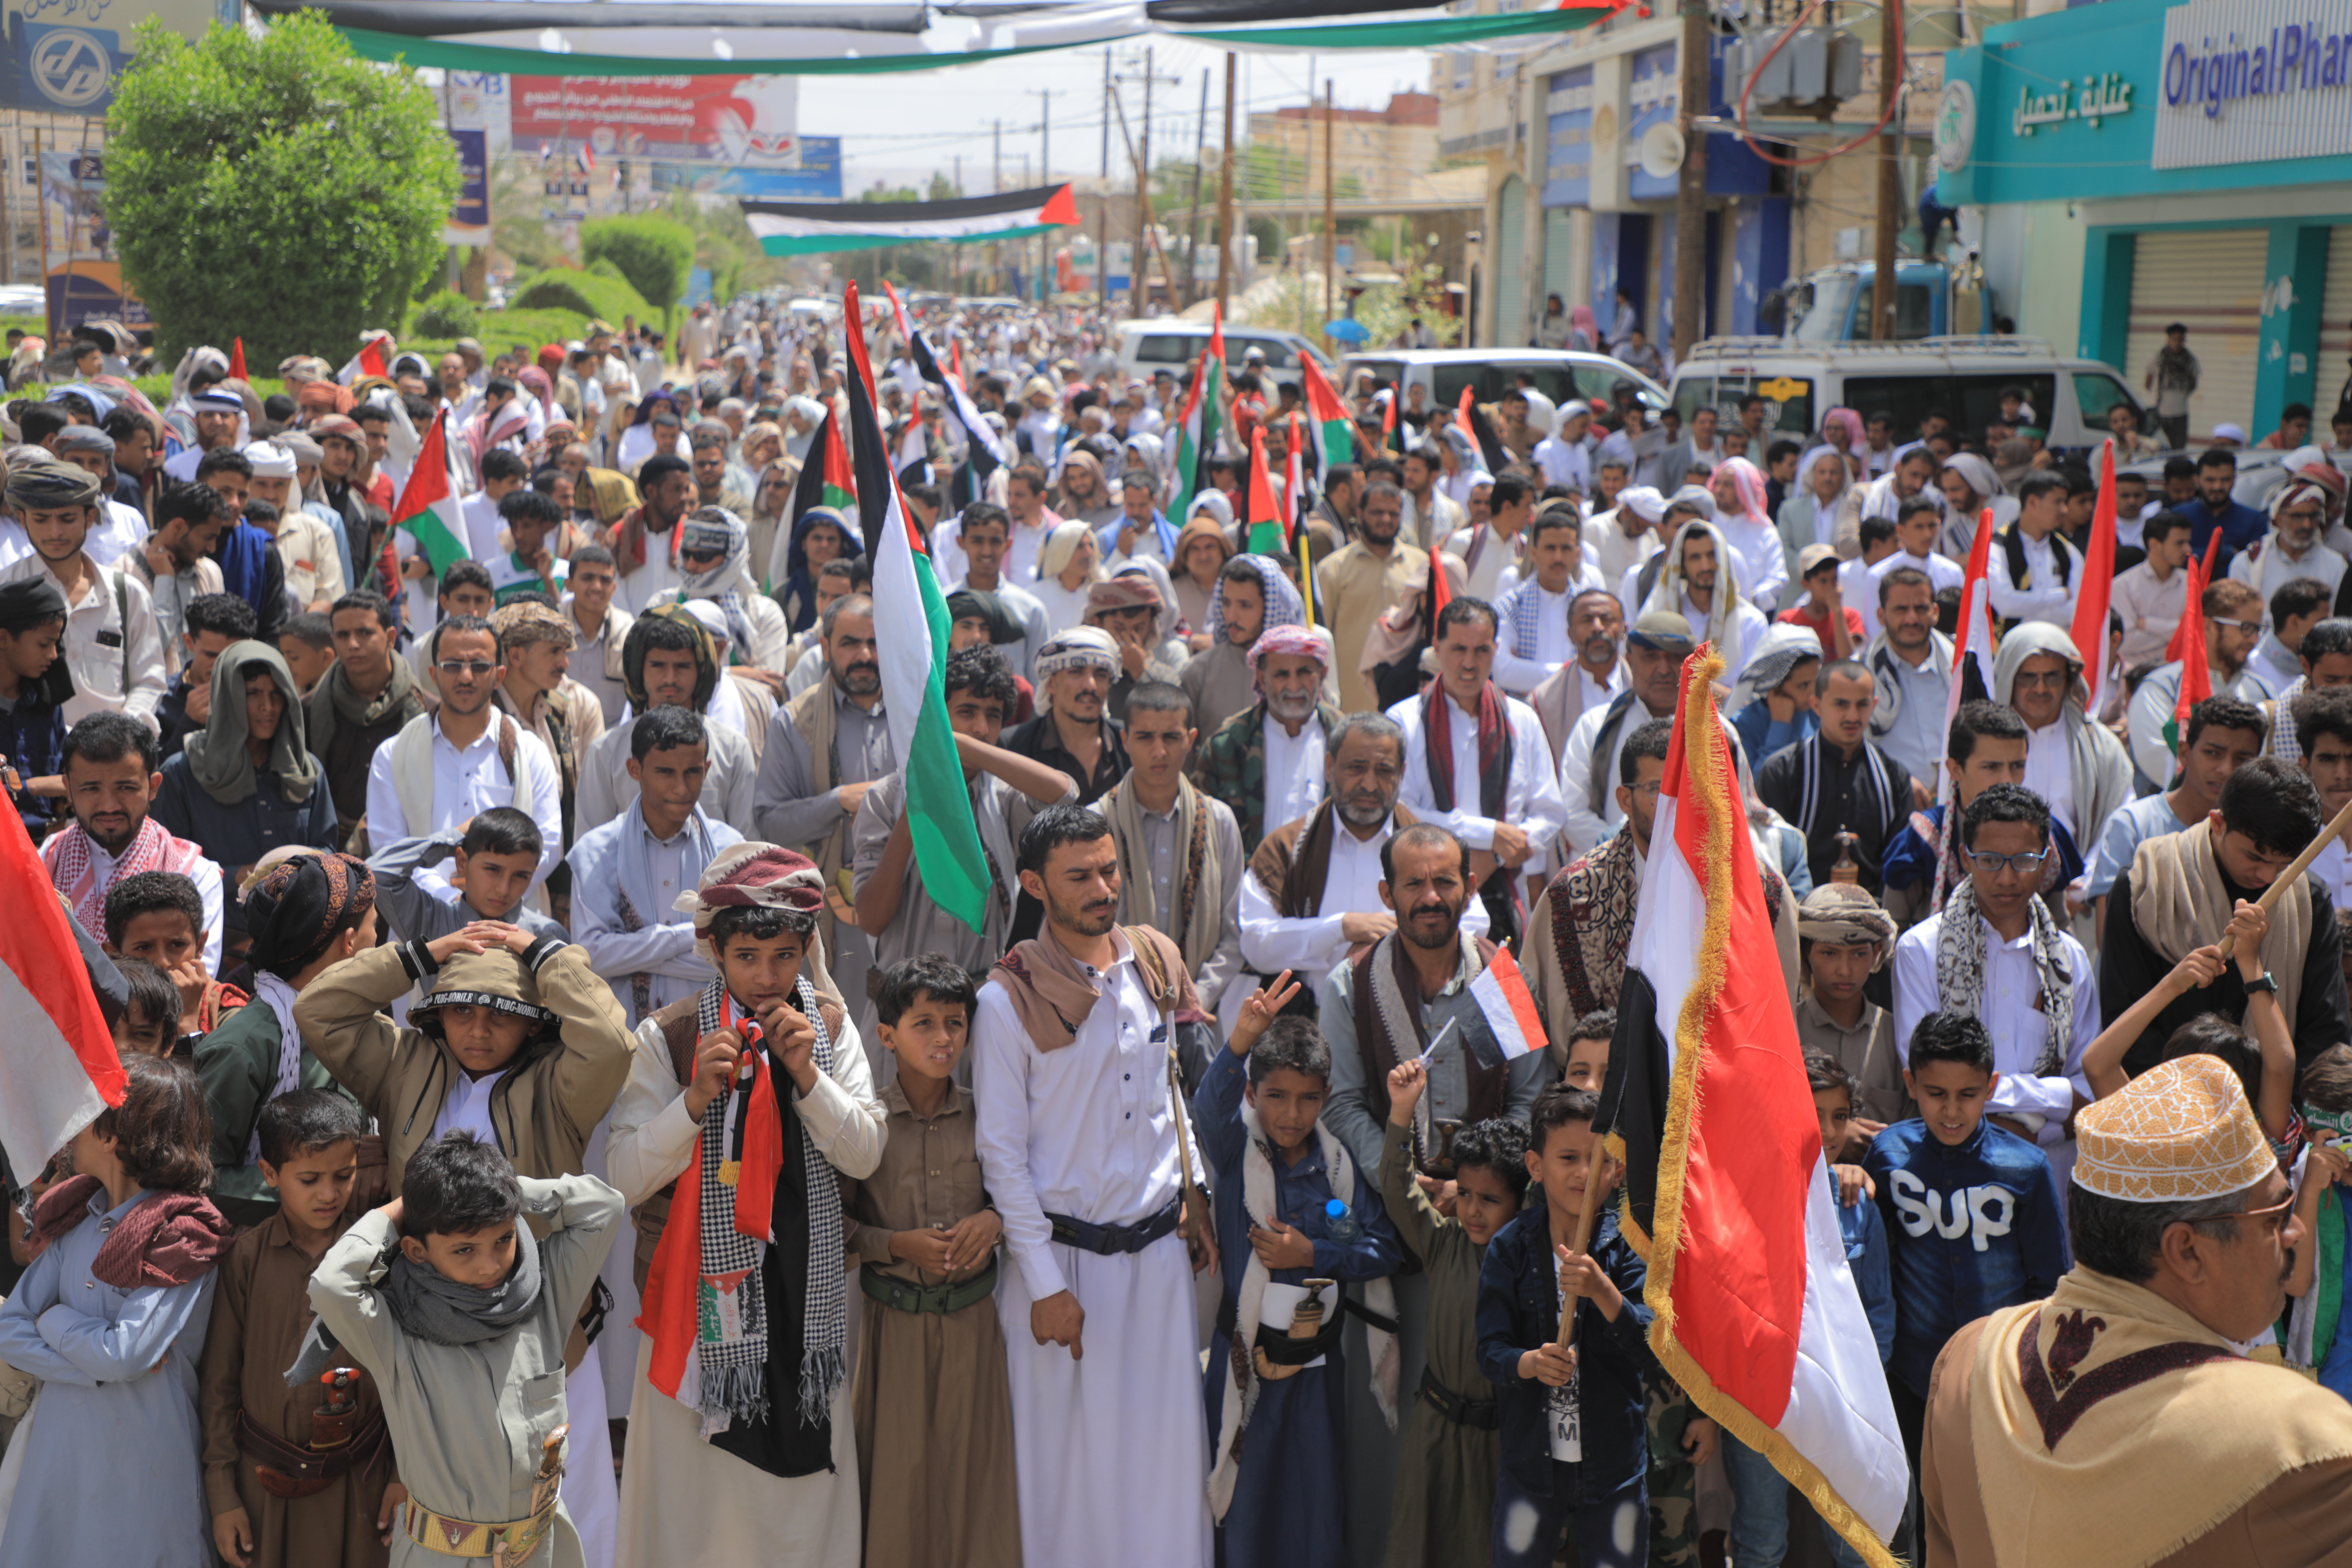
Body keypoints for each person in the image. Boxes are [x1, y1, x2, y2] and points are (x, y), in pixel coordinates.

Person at [1919, 1055, 2352, 1566]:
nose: (2295, 1232)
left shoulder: (1967, 1362)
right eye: (2276, 1215)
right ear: (2187, 1251)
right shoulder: (2302, 1440)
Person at [602, 844, 886, 1568]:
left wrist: (808, 1078)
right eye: (748, 955)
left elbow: (865, 1152)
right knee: (695, 1514)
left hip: (809, 1305)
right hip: (697, 1320)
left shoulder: (830, 1026)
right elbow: (625, 1176)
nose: (766, 976)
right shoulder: (667, 1037)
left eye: (784, 955)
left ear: (805, 950)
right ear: (715, 950)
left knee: (798, 1514)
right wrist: (694, 1100)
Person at [972, 805, 1218, 1568]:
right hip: (1063, 1272)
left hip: (1157, 1261)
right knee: (1063, 1477)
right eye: (1080, 875)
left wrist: (1197, 1189)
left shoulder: (1153, 961)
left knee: (1168, 1462)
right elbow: (1001, 1157)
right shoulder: (1004, 1000)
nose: (1102, 887)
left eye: (1109, 869)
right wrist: (1044, 1283)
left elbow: (1172, 1091)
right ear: (1035, 884)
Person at [306, 1136, 622, 1568]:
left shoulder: (545, 1296)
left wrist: (505, 1192)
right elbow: (331, 1284)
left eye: (504, 1239)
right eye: (464, 1249)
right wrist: (400, 1212)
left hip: (544, 1552)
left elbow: (604, 1207)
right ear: (416, 1250)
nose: (490, 1265)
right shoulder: (394, 1330)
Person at [0, 1054, 230, 1568]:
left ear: (112, 1134)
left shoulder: (183, 1233)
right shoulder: (78, 1218)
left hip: (142, 1463)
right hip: (61, 1454)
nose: (67, 1129)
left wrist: (53, 1321)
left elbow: (124, 1355)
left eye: (81, 1113)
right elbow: (8, 1330)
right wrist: (92, 1368)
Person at [1198, 992, 1401, 1568]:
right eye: (1277, 1097)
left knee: (1313, 1507)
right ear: (1252, 1094)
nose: (1292, 1115)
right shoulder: (1238, 1152)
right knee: (1244, 1503)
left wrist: (1314, 1251)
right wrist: (1240, 1040)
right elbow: (1206, 1107)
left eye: (1308, 1099)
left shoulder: (1334, 1173)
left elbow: (1378, 1247)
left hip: (1313, 1376)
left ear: (1327, 1098)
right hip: (1242, 1367)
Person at [840, 955, 1020, 1568]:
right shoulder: (866, 1125)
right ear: (886, 1035)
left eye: (956, 1023)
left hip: (976, 1330)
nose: (944, 1039)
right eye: (925, 1024)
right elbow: (833, 1226)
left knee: (979, 1480)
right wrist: (895, 1245)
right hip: (891, 1332)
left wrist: (995, 1221)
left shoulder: (990, 1114)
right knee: (896, 1485)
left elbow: (1023, 1192)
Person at [1865, 1009, 2070, 1532]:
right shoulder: (1888, 1154)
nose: (1952, 1111)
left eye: (1969, 1095)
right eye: (1936, 1093)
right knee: (1914, 1514)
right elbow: (1871, 1258)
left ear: (1992, 1087)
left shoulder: (2026, 1168)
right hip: (1911, 1375)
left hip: (1996, 1380)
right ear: (1911, 1083)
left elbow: (2049, 1282)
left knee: (1988, 1516)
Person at [196, 1090, 399, 1568]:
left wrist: (402, 1475)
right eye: (310, 1179)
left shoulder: (380, 1257)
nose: (329, 1194)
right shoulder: (247, 1258)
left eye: (343, 1176)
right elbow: (219, 1386)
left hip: (362, 1486)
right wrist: (223, 1493)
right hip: (265, 1487)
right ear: (270, 1174)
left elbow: (407, 1379)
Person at [1722, 1052, 1894, 1568]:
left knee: (1854, 1539)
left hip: (1841, 1400)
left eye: (1839, 1116)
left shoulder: (1855, 1203)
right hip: (1760, 1395)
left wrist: (1865, 1386)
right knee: (1760, 1536)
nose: (1826, 1129)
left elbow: (1878, 1308)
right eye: (1811, 1112)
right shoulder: (1740, 1198)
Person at [1474, 1085, 1656, 1568]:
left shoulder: (1630, 1248)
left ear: (1616, 1171)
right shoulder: (1509, 1248)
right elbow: (1490, 1351)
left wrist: (1604, 1292)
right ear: (1535, 1166)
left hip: (1614, 1470)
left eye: (1596, 1160)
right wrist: (1529, 1363)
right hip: (1530, 1471)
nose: (1582, 1173)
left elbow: (1656, 1354)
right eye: (1568, 1157)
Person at [1892, 786, 2100, 1178]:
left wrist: (2028, 1132)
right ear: (1964, 860)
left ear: (2046, 862)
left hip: (2050, 1174)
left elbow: (2086, 1093)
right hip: (1951, 1175)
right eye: (1989, 860)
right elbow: (1928, 1079)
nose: (2006, 878)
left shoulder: (2070, 960)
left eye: (2023, 860)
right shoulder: (1921, 950)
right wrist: (2046, 1105)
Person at [2100, 756, 2351, 1076]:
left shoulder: (2309, 900)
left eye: (2284, 863)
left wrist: (2271, 1116)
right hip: (2164, 1106)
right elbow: (2122, 1016)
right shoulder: (2145, 886)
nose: (2268, 876)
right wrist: (2181, 1108)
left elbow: (2325, 1029)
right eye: (2254, 857)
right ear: (2218, 823)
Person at [1375, 1090, 1524, 1568]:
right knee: (1419, 1546)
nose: (1474, 1210)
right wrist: (1401, 1114)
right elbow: (1397, 1188)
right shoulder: (1443, 1243)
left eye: (1490, 1199)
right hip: (1434, 1431)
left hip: (1499, 1443)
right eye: (1464, 1194)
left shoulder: (1531, 1262)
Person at [193, 852, 376, 1230]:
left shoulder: (357, 1027)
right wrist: (322, 1188)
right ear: (351, 942)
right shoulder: (245, 1047)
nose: (381, 940)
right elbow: (198, 1176)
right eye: (377, 928)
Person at [1389, 598, 1568, 934]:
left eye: (1482, 651)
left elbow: (1550, 813)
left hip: (1504, 894)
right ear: (1437, 648)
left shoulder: (1522, 719)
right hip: (1424, 896)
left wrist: (1495, 858)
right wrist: (1490, 837)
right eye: (1459, 649)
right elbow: (1401, 812)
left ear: (1497, 650)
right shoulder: (1403, 721)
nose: (1469, 664)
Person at [365, 616, 564, 905]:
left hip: (509, 931)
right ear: (433, 675)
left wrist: (493, 895)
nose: (466, 677)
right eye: (453, 665)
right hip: (422, 933)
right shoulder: (393, 755)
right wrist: (454, 901)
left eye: (480, 666)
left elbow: (550, 845)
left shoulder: (529, 751)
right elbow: (389, 853)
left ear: (499, 675)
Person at [567, 706, 744, 1028]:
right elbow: (592, 957)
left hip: (714, 1034)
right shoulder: (596, 851)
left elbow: (737, 960)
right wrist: (691, 935)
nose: (681, 787)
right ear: (635, 770)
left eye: (692, 772)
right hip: (622, 1036)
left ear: (706, 769)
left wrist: (634, 954)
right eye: (665, 772)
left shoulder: (731, 848)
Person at [755, 592, 893, 1004]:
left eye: (874, 642)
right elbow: (771, 822)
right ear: (826, 647)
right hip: (833, 916)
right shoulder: (795, 722)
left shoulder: (918, 717)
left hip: (911, 905)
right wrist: (836, 801)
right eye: (850, 643)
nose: (865, 654)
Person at [152, 641, 337, 934]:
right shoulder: (182, 774)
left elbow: (327, 848)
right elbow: (168, 867)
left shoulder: (306, 771)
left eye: (277, 693)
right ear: (228, 698)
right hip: (215, 938)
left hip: (298, 934)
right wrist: (236, 876)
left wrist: (296, 869)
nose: (268, 706)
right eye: (253, 694)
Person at [1098, 682, 1243, 1023]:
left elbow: (1234, 934)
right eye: (1146, 737)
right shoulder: (1096, 821)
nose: (1159, 751)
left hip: (1199, 1016)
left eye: (1172, 738)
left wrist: (1195, 999)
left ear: (1191, 740)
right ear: (1125, 740)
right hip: (1113, 1010)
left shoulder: (1219, 821)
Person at [48, 710, 225, 969]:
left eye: (126, 788)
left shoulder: (196, 875)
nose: (109, 806)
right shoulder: (47, 862)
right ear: (69, 788)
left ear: (153, 786)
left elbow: (195, 983)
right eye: (91, 788)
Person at [0, 456, 166, 730]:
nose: (55, 532)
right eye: (41, 519)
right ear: (22, 519)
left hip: (112, 757)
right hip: (31, 758)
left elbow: (149, 680)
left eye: (67, 519)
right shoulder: (6, 590)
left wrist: (119, 737)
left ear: (90, 518)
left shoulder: (128, 594)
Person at [2085, 696, 2263, 916]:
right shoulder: (2133, 824)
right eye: (2213, 753)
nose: (2226, 769)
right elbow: (2110, 936)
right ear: (2185, 753)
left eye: (2242, 759)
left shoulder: (2256, 834)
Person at [1755, 658, 1910, 893]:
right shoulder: (1782, 772)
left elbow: (1900, 863)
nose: (1852, 716)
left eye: (1862, 705)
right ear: (1816, 705)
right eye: (1841, 704)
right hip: (1799, 916)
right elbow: (1767, 859)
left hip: (1873, 916)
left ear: (1874, 704)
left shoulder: (1893, 778)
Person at [1192, 624, 1344, 855]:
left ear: (1322, 675)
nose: (1294, 685)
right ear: (1262, 679)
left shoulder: (1350, 743)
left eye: (1304, 672)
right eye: (1282, 674)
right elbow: (1203, 832)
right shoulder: (1226, 747)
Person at [1991, 623, 2132, 868]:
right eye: (2028, 677)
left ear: (2069, 679)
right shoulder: (1984, 743)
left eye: (2052, 677)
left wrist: (2085, 882)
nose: (2041, 689)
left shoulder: (2099, 744)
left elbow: (2120, 819)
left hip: (2077, 889)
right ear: (2009, 678)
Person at [1558, 611, 1692, 857]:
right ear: (1630, 660)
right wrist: (1630, 852)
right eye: (1650, 657)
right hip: (1610, 873)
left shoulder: (1717, 733)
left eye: (1675, 658)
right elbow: (1572, 813)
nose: (1663, 669)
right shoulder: (1595, 725)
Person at [2126, 577, 2276, 790]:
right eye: (2246, 628)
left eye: (2259, 629)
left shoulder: (2262, 691)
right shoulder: (2161, 689)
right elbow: (2158, 760)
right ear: (2209, 626)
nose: (2253, 640)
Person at [306, 592, 425, 848]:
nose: (353, 644)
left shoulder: (426, 711)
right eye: (343, 635)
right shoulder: (309, 709)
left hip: (403, 844)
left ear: (391, 638)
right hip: (327, 846)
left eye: (364, 633)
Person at [1795, 884, 1907, 1140]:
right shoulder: (1788, 1031)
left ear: (1876, 953)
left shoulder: (1897, 1035)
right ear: (1806, 953)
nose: (1844, 970)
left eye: (1858, 954)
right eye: (1829, 953)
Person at [1181, 553, 1317, 740]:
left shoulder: (1306, 672)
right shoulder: (1198, 673)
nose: (1232, 616)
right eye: (1227, 603)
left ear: (1270, 607)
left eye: (1245, 605)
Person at [106, 868, 246, 1043]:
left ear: (200, 946)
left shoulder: (227, 1016)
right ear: (114, 954)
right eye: (144, 948)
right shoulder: (102, 1014)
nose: (163, 962)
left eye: (177, 945)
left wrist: (186, 1021)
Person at [1317, 481, 1420, 714]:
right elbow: (1322, 639)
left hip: (1406, 705)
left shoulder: (1421, 567)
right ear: (1360, 515)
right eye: (1377, 512)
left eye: (1393, 513)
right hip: (1350, 708)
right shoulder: (1333, 569)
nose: (1386, 519)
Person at [1003, 627, 1130, 806]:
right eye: (1076, 672)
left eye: (1100, 675)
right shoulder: (1013, 746)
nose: (1091, 685)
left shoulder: (1130, 742)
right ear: (1052, 684)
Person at [608, 452, 696, 616]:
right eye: (676, 489)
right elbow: (614, 594)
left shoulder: (694, 537)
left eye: (686, 489)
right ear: (651, 491)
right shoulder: (619, 536)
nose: (685, 498)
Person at [2112, 510, 2192, 672]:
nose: (2188, 549)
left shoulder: (2192, 584)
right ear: (2154, 544)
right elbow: (2125, 641)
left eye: (2188, 542)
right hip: (2134, 676)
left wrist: (2147, 624)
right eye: (2180, 543)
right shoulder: (2121, 586)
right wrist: (2177, 632)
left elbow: (2196, 635)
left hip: (2180, 673)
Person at [564, 546, 635, 727]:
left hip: (612, 746)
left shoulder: (629, 633)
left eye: (605, 580)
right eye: (587, 578)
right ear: (569, 585)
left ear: (614, 588)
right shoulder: (551, 628)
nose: (597, 587)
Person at [2141, 321, 2199, 449]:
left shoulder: (2190, 361)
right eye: (2174, 339)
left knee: (2177, 449)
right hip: (2158, 412)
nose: (2177, 343)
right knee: (2156, 448)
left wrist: (2179, 397)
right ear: (2168, 340)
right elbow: (2147, 383)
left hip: (2180, 413)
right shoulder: (2157, 358)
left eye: (2180, 340)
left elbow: (2193, 384)